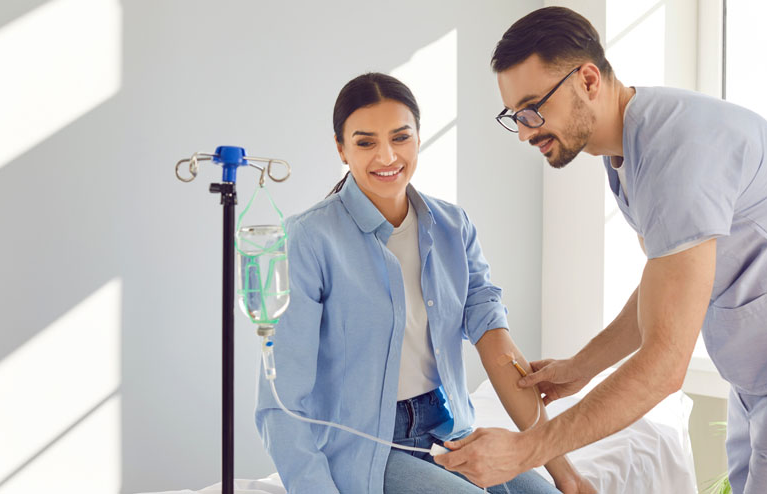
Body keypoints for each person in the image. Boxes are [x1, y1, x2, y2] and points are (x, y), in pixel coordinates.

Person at [434, 7, 767, 494]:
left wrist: (526, 449)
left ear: (588, 79)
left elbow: (666, 367)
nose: (524, 131)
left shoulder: (679, 153)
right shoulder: (625, 154)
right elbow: (663, 289)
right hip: (756, 376)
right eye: (515, 116)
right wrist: (579, 368)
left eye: (532, 108)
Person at [254, 72, 593, 494]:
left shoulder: (453, 227)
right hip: (366, 450)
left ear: (418, 139)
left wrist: (566, 474)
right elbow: (279, 403)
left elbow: (500, 353)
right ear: (341, 148)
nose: (386, 156)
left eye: (400, 137)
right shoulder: (308, 239)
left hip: (448, 430)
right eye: (365, 142)